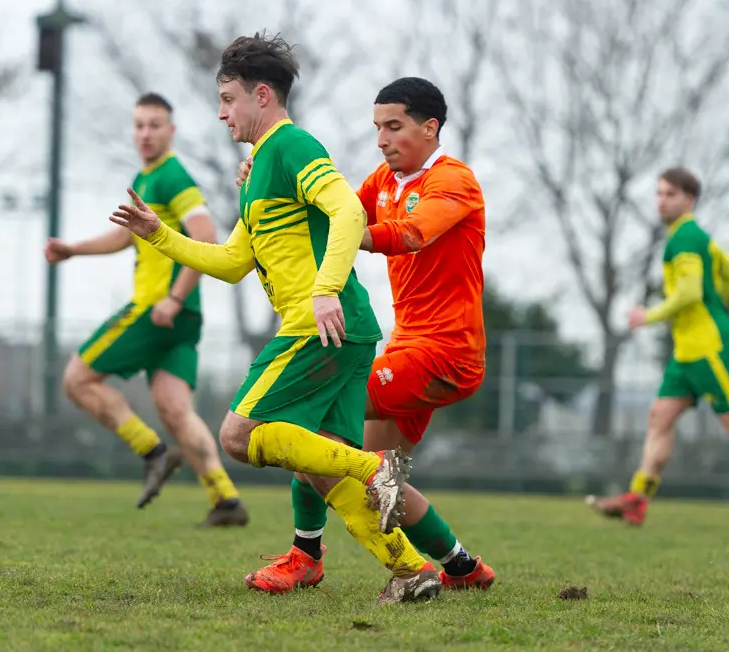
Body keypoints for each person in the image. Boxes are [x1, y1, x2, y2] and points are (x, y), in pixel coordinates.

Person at [112, 32, 441, 604]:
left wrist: (324, 290)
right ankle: (412, 570)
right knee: (320, 470)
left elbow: (345, 209)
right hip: (343, 330)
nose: (220, 113)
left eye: (228, 98)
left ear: (262, 95)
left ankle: (373, 469)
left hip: (319, 326)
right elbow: (235, 262)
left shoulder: (291, 146)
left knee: (239, 434)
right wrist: (159, 235)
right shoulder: (258, 167)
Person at [236, 77, 496, 594]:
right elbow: (325, 212)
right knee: (373, 479)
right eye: (378, 127)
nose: (382, 139)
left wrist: (349, 230)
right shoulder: (381, 181)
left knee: (315, 432)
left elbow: (410, 233)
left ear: (430, 127)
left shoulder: (455, 182)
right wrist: (264, 175)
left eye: (394, 127)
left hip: (445, 355)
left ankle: (305, 555)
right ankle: (464, 568)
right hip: (406, 350)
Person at [44, 93, 247, 527]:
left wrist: (172, 297)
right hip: (182, 315)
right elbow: (124, 238)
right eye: (139, 125)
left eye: (155, 125)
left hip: (158, 309)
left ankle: (151, 451)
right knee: (175, 408)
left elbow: (207, 235)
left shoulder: (172, 176)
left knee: (77, 379)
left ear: (171, 132)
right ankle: (226, 501)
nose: (145, 133)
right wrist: (74, 249)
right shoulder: (147, 177)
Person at [587, 167, 729, 525]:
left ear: (689, 200)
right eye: (658, 193)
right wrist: (714, 304)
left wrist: (649, 316)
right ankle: (637, 499)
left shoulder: (684, 237)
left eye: (670, 194)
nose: (661, 201)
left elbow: (689, 293)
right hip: (686, 353)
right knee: (660, 417)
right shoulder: (694, 236)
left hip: (707, 349)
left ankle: (637, 499)